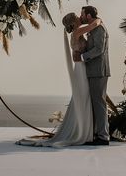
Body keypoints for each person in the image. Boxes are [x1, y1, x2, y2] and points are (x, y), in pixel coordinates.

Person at [16, 12, 101, 147]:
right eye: (77, 18)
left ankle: (85, 129)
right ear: (74, 23)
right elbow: (95, 24)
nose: (80, 18)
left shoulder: (75, 32)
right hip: (81, 68)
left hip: (81, 67)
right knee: (83, 98)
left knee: (82, 98)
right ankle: (83, 131)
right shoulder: (77, 31)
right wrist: (97, 19)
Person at [73, 6, 110, 145]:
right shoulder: (92, 29)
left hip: (99, 71)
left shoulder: (99, 29)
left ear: (88, 16)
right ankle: (95, 134)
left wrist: (82, 57)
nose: (80, 16)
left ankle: (103, 137)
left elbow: (99, 49)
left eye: (82, 14)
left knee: (99, 103)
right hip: (92, 71)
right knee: (95, 103)